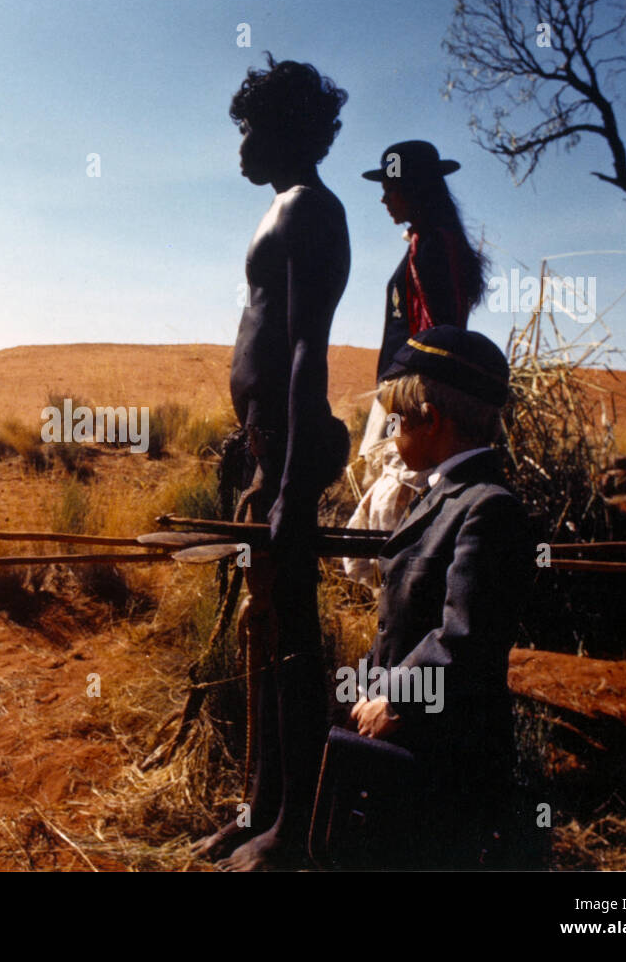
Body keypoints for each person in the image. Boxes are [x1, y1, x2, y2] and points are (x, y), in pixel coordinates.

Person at [194, 53, 350, 871]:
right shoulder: (286, 209)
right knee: (267, 634)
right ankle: (260, 804)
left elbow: (304, 354)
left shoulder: (313, 213)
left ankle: (294, 826)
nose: (242, 144)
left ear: (290, 128)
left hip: (289, 451)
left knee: (294, 638)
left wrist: (288, 486)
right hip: (266, 451)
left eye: (252, 127)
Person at [348, 325, 533, 868]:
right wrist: (366, 683)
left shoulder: (487, 508)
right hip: (412, 740)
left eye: (395, 420)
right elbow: (403, 623)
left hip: (446, 754)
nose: (390, 434)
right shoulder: (439, 495)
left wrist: (398, 699)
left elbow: (466, 639)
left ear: (430, 417)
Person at [356, 140, 489, 458]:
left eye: (391, 189)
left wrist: (412, 407)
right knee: (383, 468)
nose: (383, 199)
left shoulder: (433, 246)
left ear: (415, 189)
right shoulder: (430, 242)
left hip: (410, 396)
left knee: (392, 471)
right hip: (400, 393)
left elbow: (438, 329)